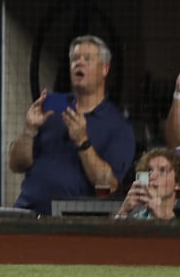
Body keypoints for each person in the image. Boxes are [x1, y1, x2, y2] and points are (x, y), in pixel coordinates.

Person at [10, 35, 136, 214]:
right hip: (26, 212)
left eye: (88, 59)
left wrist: (83, 142)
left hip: (72, 220)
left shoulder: (119, 127)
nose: (79, 63)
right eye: (75, 59)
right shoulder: (51, 110)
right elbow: (16, 165)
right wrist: (29, 130)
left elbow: (108, 184)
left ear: (105, 69)